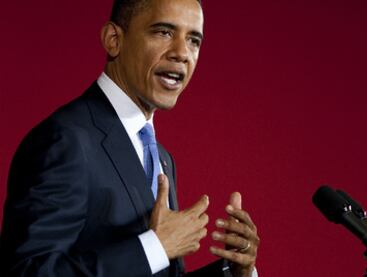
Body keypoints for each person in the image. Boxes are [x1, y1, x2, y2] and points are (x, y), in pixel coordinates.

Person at [0, 0, 260, 276]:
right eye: (164, 32)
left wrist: (236, 272)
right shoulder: (65, 140)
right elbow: (27, 271)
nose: (182, 53)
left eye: (193, 40)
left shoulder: (160, 156)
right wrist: (155, 247)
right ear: (113, 40)